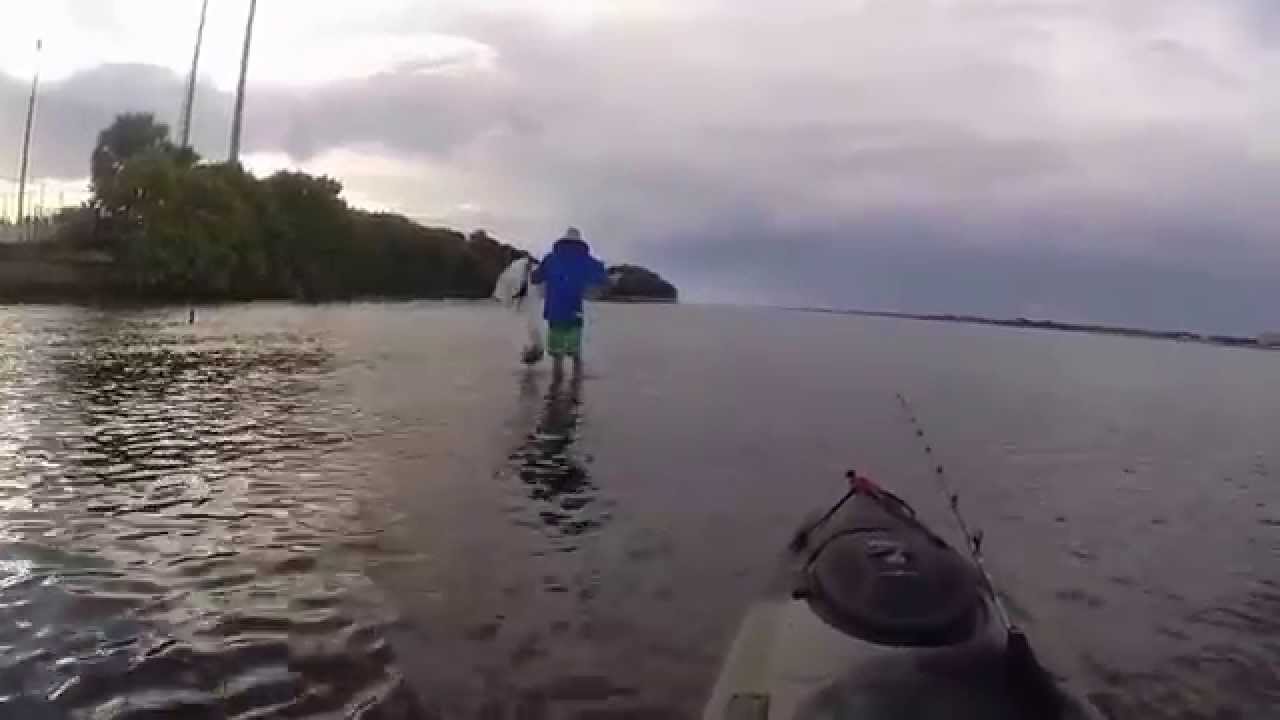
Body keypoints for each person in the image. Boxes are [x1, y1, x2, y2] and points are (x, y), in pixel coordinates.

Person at [531, 227, 608, 376]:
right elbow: (601, 276)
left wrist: (530, 268)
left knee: (557, 354)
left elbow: (535, 278)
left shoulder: (551, 259)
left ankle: (556, 382)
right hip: (574, 312)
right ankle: (576, 382)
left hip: (554, 312)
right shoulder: (584, 260)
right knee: (575, 353)